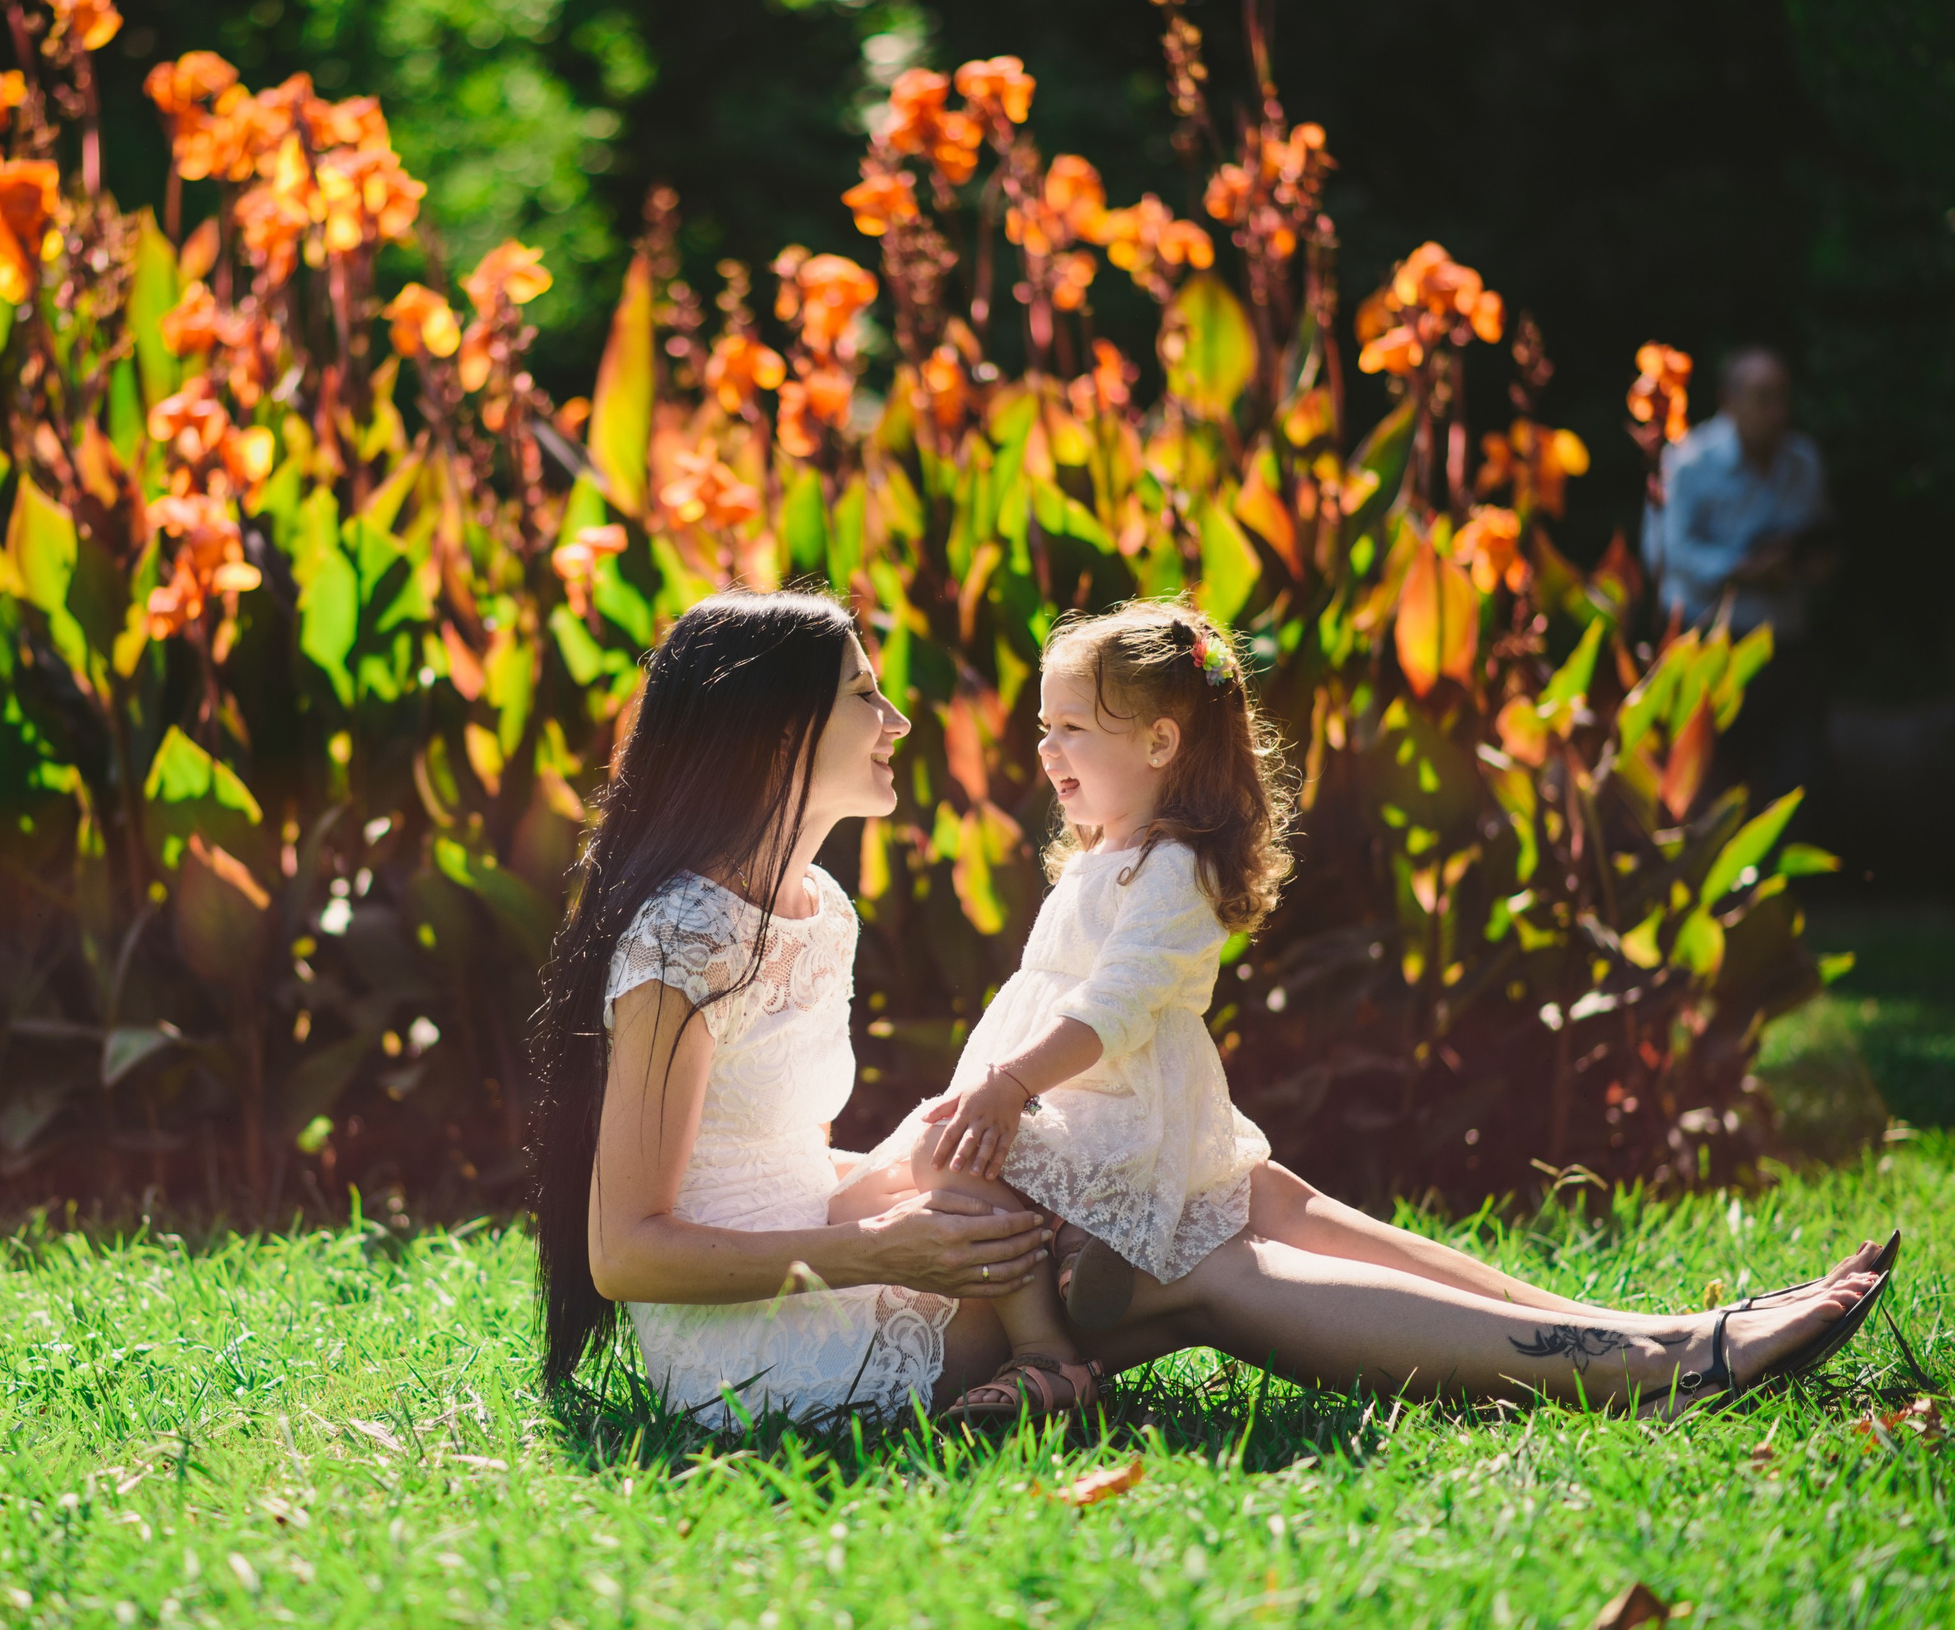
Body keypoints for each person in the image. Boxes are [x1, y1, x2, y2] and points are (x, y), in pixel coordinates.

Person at [529, 588, 1892, 1430]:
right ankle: (1658, 1368)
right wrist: (901, 1246)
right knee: (1200, 1259)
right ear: (776, 738)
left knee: (1253, 1189)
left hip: (850, 1259)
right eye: (864, 697)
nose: (895, 720)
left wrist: (894, 1184)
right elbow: (629, 1252)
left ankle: (1650, 1339)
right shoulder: (682, 940)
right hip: (762, 1349)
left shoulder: (811, 907)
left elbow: (764, 1164)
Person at [831, 602, 1284, 1421]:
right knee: (937, 1159)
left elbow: (1114, 1009)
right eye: (1046, 726)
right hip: (1073, 1094)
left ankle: (1049, 1353)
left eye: (1072, 727)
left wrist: (1010, 1082)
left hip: (1119, 1102)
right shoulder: (1100, 853)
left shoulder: (1171, 869)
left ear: (1159, 742)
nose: (1046, 749)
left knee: (945, 1154)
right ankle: (1074, 1250)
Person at [1642, 346, 1831, 796]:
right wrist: (1741, 570)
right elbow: (1664, 553)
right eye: (1763, 398)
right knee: (1712, 784)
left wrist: (1811, 564)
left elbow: (1819, 537)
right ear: (1728, 400)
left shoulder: (1801, 461)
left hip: (1784, 648)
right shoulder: (1689, 461)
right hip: (1709, 646)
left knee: (1798, 780)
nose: (1777, 413)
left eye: (1783, 398)